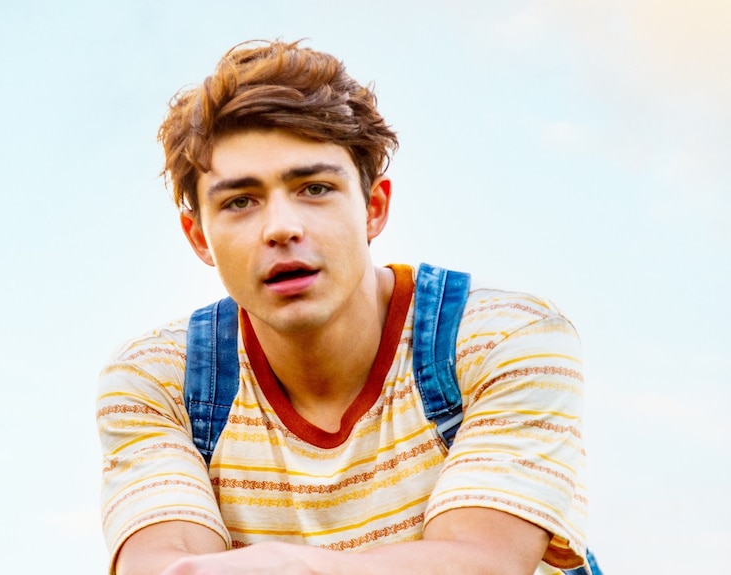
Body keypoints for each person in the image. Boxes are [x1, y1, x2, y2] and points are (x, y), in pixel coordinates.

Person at [97, 39, 592, 575]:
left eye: (314, 188)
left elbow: (483, 564)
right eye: (240, 201)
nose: (281, 227)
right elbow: (159, 563)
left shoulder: (502, 338)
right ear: (199, 237)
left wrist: (288, 568)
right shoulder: (162, 381)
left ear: (373, 209)